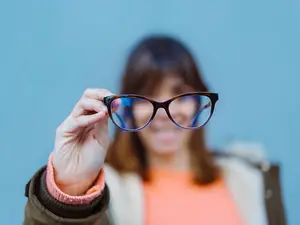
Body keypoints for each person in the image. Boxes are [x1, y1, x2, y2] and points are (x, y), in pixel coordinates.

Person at [23, 35, 286, 225]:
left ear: (200, 101)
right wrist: (71, 191)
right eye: (147, 96)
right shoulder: (103, 194)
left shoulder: (250, 179)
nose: (163, 113)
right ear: (126, 108)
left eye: (179, 94)